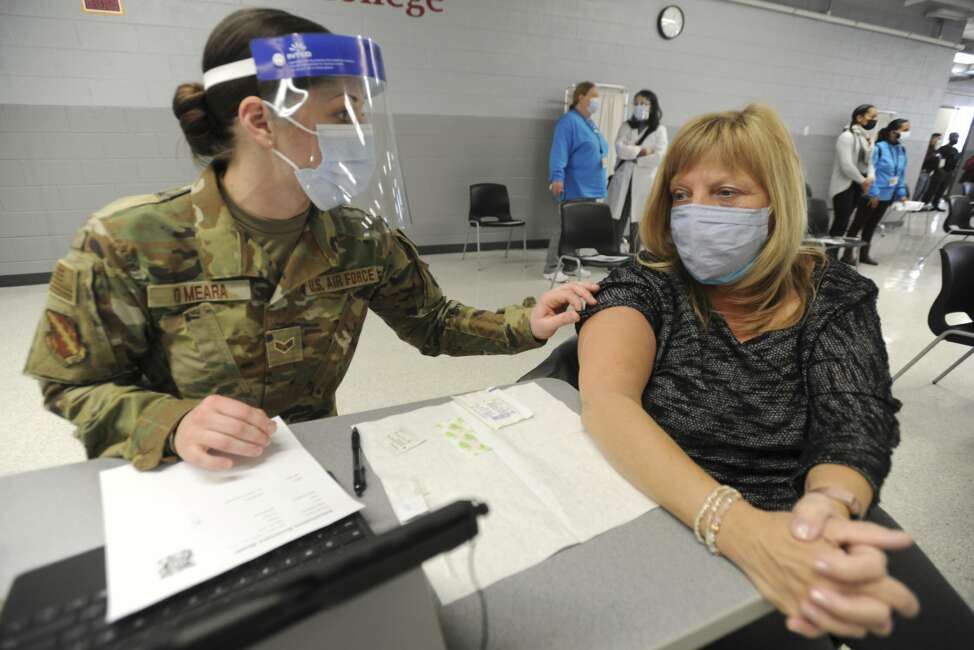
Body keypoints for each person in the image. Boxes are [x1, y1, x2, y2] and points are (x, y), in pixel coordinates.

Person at [23, 8, 599, 472]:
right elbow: (72, 382)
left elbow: (434, 321)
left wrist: (528, 322)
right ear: (259, 120)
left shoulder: (359, 238)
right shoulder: (129, 240)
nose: (360, 133)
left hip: (308, 469)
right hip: (182, 479)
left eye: (363, 113)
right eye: (341, 112)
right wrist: (169, 423)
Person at [576, 104, 974, 649]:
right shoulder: (646, 284)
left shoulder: (833, 292)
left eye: (726, 192)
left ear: (775, 202)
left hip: (801, 505)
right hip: (670, 505)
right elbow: (607, 401)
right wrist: (738, 528)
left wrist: (826, 508)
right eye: (680, 194)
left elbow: (853, 419)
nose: (695, 211)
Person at [544, 81, 610, 282]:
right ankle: (550, 268)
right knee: (564, 227)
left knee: (578, 229)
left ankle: (572, 265)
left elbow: (600, 149)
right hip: (574, 185)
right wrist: (557, 177)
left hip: (590, 187)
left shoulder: (589, 123)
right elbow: (559, 152)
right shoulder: (568, 122)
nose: (596, 101)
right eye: (593, 96)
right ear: (581, 97)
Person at [607, 90, 668, 253]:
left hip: (644, 182)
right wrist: (643, 151)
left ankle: (635, 258)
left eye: (644, 103)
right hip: (623, 180)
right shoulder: (626, 126)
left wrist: (634, 155)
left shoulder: (659, 130)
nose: (640, 107)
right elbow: (620, 149)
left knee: (639, 221)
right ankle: (612, 255)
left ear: (652, 106)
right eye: (637, 103)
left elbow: (660, 156)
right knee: (617, 218)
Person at [844, 119, 910, 265]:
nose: (907, 133)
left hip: (887, 196)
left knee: (871, 226)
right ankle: (847, 254)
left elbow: (900, 175)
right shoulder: (879, 148)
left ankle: (864, 254)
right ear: (894, 130)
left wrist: (902, 193)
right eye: (905, 130)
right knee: (857, 225)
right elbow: (870, 170)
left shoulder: (901, 150)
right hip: (872, 195)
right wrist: (873, 193)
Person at [827, 104, 875, 238]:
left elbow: (871, 161)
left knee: (845, 223)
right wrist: (863, 180)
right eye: (871, 116)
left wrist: (870, 176)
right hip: (844, 186)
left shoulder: (867, 138)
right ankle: (830, 257)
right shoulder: (847, 136)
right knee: (840, 223)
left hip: (858, 186)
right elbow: (846, 165)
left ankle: (834, 257)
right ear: (859, 117)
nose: (874, 120)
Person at [921, 131, 960, 211]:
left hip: (949, 172)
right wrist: (938, 169)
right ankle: (924, 203)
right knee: (933, 189)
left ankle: (935, 204)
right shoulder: (943, 148)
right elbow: (936, 159)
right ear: (950, 138)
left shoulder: (955, 150)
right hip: (941, 172)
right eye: (954, 137)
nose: (955, 139)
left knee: (942, 189)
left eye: (957, 137)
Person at [913, 133, 941, 201]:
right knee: (918, 190)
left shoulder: (934, 149)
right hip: (923, 172)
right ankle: (912, 203)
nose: (938, 141)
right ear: (932, 138)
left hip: (929, 173)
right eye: (937, 139)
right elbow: (923, 159)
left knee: (924, 190)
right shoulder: (927, 148)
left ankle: (917, 205)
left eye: (939, 139)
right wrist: (933, 156)